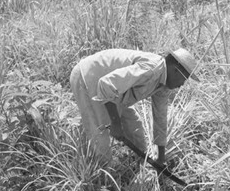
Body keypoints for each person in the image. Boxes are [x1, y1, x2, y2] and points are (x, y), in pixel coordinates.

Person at [69, 48, 199, 164]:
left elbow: (160, 118)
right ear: (175, 71)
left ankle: (141, 165)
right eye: (184, 79)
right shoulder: (150, 70)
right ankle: (102, 182)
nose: (182, 85)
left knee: (134, 126)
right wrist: (115, 123)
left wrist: (160, 158)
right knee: (100, 135)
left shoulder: (164, 84)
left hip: (116, 91)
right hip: (89, 78)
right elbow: (106, 85)